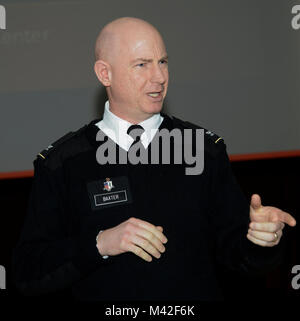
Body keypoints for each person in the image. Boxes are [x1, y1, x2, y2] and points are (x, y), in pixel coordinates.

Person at [12, 17, 296, 301]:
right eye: (142, 64)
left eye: (163, 62)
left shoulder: (203, 150)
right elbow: (28, 272)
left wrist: (261, 239)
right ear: (104, 74)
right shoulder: (62, 163)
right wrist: (100, 243)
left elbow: (241, 258)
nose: (159, 77)